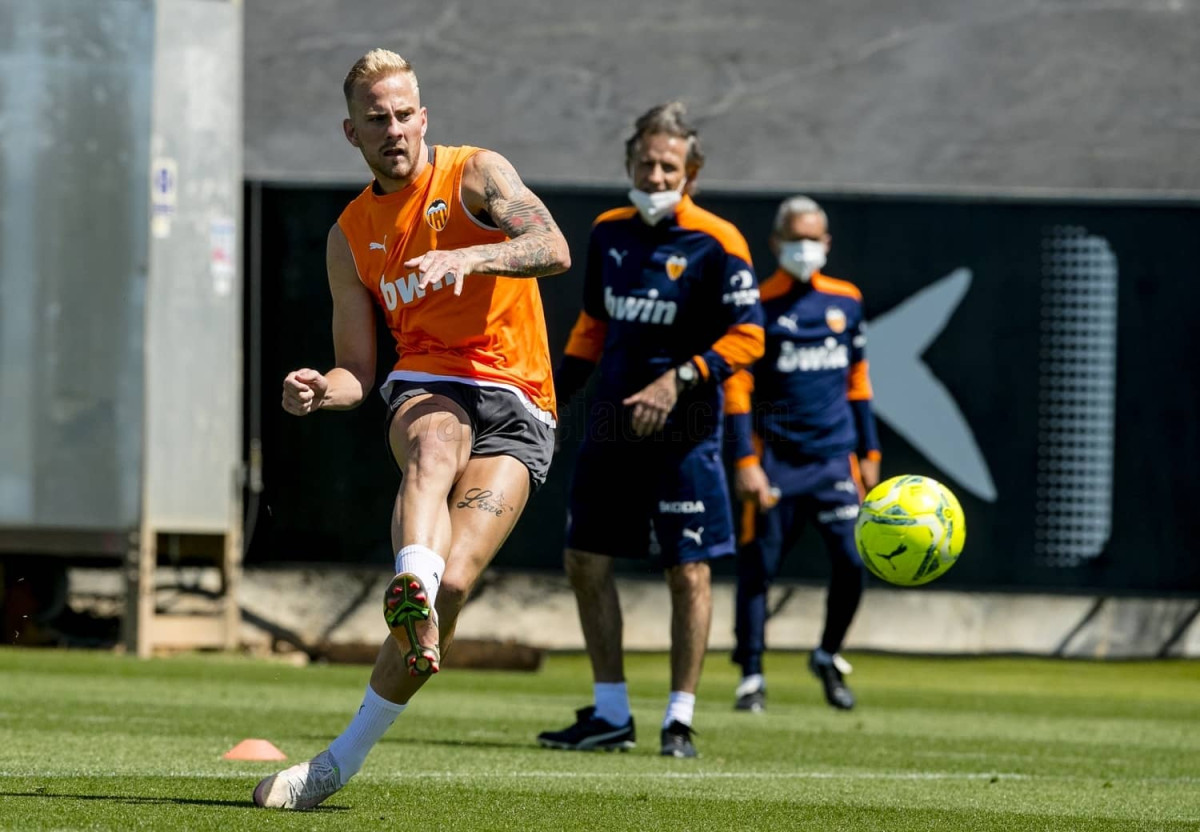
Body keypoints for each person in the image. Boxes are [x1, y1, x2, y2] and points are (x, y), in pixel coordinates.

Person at [254, 48, 570, 810]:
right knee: (434, 444)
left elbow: (554, 248)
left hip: (521, 399)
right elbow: (357, 370)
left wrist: (474, 257)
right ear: (351, 133)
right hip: (431, 383)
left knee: (455, 585)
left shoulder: (475, 175)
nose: (392, 129)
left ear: (423, 118)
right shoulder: (349, 236)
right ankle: (412, 585)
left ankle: (339, 759)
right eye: (376, 119)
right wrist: (319, 390)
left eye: (403, 115)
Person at [536, 102, 765, 758]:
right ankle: (611, 712)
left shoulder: (719, 241)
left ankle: (679, 719)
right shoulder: (608, 231)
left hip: (686, 432)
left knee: (687, 570)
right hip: (611, 425)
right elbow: (592, 328)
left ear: (692, 172)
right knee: (584, 560)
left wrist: (680, 378)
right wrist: (550, 400)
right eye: (646, 164)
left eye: (669, 166)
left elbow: (750, 336)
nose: (656, 176)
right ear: (629, 164)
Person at [724, 195, 881, 713]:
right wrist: (745, 460)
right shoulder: (758, 304)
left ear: (827, 242)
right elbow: (738, 387)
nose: (804, 248)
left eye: (813, 239)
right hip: (776, 460)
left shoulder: (847, 301)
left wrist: (870, 450)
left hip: (835, 459)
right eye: (795, 239)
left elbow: (858, 381)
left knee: (853, 562)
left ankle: (828, 654)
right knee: (759, 568)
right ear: (776, 243)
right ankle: (751, 676)